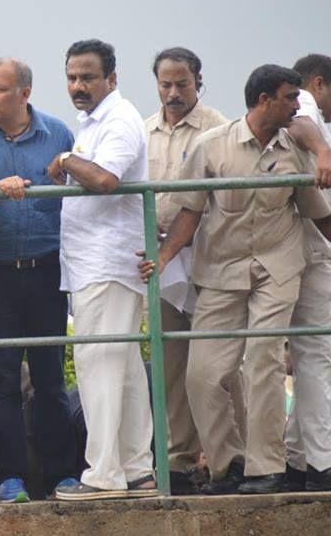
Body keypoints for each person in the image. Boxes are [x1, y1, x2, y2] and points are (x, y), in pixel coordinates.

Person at [141, 64, 331, 495]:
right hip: (223, 270)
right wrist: (164, 256)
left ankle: (267, 469)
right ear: (264, 100)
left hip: (278, 266)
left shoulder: (294, 150)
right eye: (288, 97)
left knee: (263, 359)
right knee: (203, 373)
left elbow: (318, 214)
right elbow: (189, 212)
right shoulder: (213, 146)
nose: (296, 105)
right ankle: (229, 464)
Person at [49, 39, 158, 501]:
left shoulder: (119, 119)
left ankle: (103, 474)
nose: (78, 85)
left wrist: (64, 160)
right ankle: (137, 471)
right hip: (97, 263)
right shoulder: (94, 122)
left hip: (108, 263)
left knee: (98, 363)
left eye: (88, 77)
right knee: (125, 367)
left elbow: (105, 180)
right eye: (73, 77)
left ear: (111, 79)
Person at [0, 57, 77, 503]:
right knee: (0, 378)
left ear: (24, 94)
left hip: (46, 270)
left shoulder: (57, 134)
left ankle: (61, 475)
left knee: (50, 376)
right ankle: (10, 475)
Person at [144, 47, 228, 494]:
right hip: (161, 261)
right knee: (171, 364)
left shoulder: (219, 130)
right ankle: (177, 462)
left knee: (219, 366)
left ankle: (225, 461)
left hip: (209, 258)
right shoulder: (144, 131)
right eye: (166, 85)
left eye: (182, 84)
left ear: (199, 81)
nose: (174, 93)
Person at [285, 53, 331, 492]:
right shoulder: (303, 104)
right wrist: (322, 149)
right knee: (316, 355)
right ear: (319, 84)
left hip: (301, 250)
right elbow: (300, 123)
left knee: (307, 355)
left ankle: (299, 457)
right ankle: (322, 462)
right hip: (311, 252)